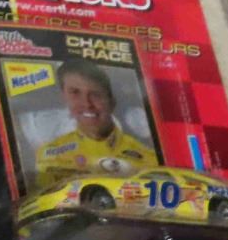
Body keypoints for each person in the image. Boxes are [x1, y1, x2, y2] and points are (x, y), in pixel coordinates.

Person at [33, 59, 156, 188]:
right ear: (64, 97)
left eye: (95, 94)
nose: (87, 104)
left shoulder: (149, 158)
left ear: (112, 101)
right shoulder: (51, 155)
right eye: (75, 92)